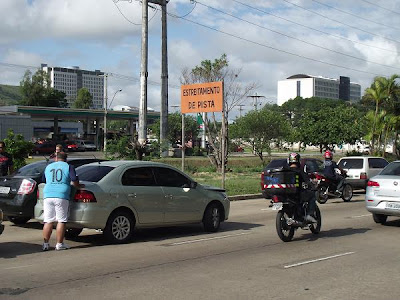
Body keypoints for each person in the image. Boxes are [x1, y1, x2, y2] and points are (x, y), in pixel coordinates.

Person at [42, 152, 84, 251]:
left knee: (48, 220)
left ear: (56, 158)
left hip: (48, 194)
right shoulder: (68, 167)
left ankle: (45, 244)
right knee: (61, 220)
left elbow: (44, 179)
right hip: (61, 194)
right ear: (66, 159)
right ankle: (59, 244)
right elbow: (74, 180)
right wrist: (78, 186)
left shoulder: (48, 167)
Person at [287, 152, 317, 223]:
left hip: (286, 194)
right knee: (312, 196)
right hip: (297, 193)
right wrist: (312, 185)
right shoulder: (299, 171)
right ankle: (309, 214)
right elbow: (307, 180)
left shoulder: (285, 171)